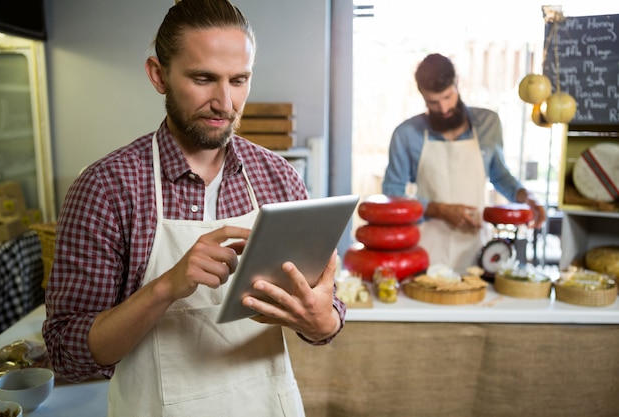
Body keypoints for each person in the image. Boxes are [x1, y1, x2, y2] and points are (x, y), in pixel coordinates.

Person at [42, 1, 345, 415]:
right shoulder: (106, 188)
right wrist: (166, 287)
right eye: (204, 78)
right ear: (158, 74)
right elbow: (66, 352)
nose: (225, 101)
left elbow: (327, 318)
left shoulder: (279, 178)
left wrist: (320, 320)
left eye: (239, 80)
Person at [382, 53, 546, 273]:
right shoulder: (406, 134)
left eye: (448, 97)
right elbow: (393, 194)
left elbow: (499, 174)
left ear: (456, 83)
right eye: (433, 102)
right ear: (422, 95)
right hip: (425, 254)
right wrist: (439, 210)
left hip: (477, 252)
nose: (443, 108)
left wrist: (527, 197)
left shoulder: (488, 124)